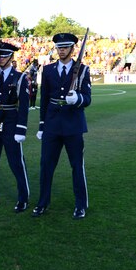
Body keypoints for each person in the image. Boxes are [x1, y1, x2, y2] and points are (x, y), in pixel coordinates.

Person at [33, 33, 92, 220]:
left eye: (65, 47)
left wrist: (78, 99)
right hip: (52, 125)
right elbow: (44, 100)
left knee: (76, 166)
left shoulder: (82, 70)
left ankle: (81, 205)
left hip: (73, 125)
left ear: (73, 48)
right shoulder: (48, 70)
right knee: (46, 166)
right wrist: (42, 125)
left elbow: (88, 98)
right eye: (59, 47)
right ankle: (42, 203)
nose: (61, 50)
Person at [0, 42, 31, 213]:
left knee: (16, 162)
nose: (1, 58)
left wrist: (21, 129)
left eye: (4, 56)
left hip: (11, 121)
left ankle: (23, 198)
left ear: (11, 57)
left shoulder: (20, 78)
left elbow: (24, 106)